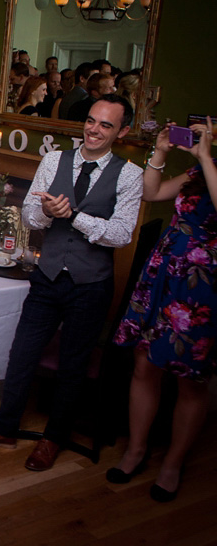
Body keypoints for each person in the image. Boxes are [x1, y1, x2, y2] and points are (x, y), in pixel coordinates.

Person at [0, 95, 142, 471]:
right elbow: (29, 216)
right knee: (22, 352)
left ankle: (52, 439)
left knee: (73, 366)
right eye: (91, 121)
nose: (94, 129)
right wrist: (44, 210)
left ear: (121, 131)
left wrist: (73, 216)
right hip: (47, 276)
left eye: (106, 125)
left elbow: (121, 234)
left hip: (91, 284)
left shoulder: (129, 175)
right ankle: (5, 427)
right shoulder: (56, 160)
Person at [108, 118, 216, 502]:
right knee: (144, 363)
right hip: (164, 274)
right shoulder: (197, 173)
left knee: (190, 376)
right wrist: (162, 151)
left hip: (202, 286)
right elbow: (152, 193)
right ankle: (137, 449)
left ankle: (173, 462)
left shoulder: (209, 169)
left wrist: (206, 157)